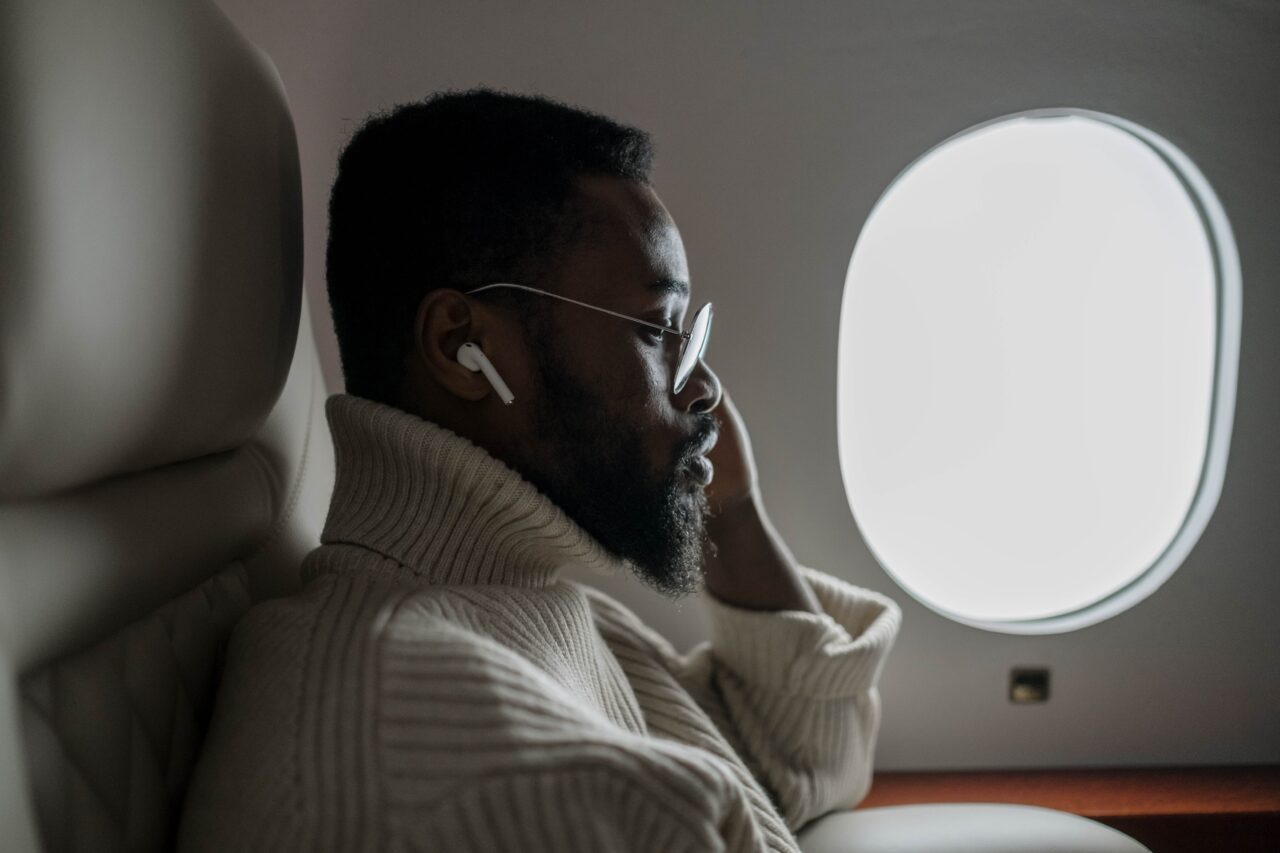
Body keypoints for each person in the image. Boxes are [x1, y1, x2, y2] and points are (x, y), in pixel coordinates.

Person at [177, 88, 901, 852]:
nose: (704, 387)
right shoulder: (458, 761)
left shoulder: (533, 599)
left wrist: (734, 506)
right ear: (462, 347)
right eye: (657, 328)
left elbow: (797, 760)